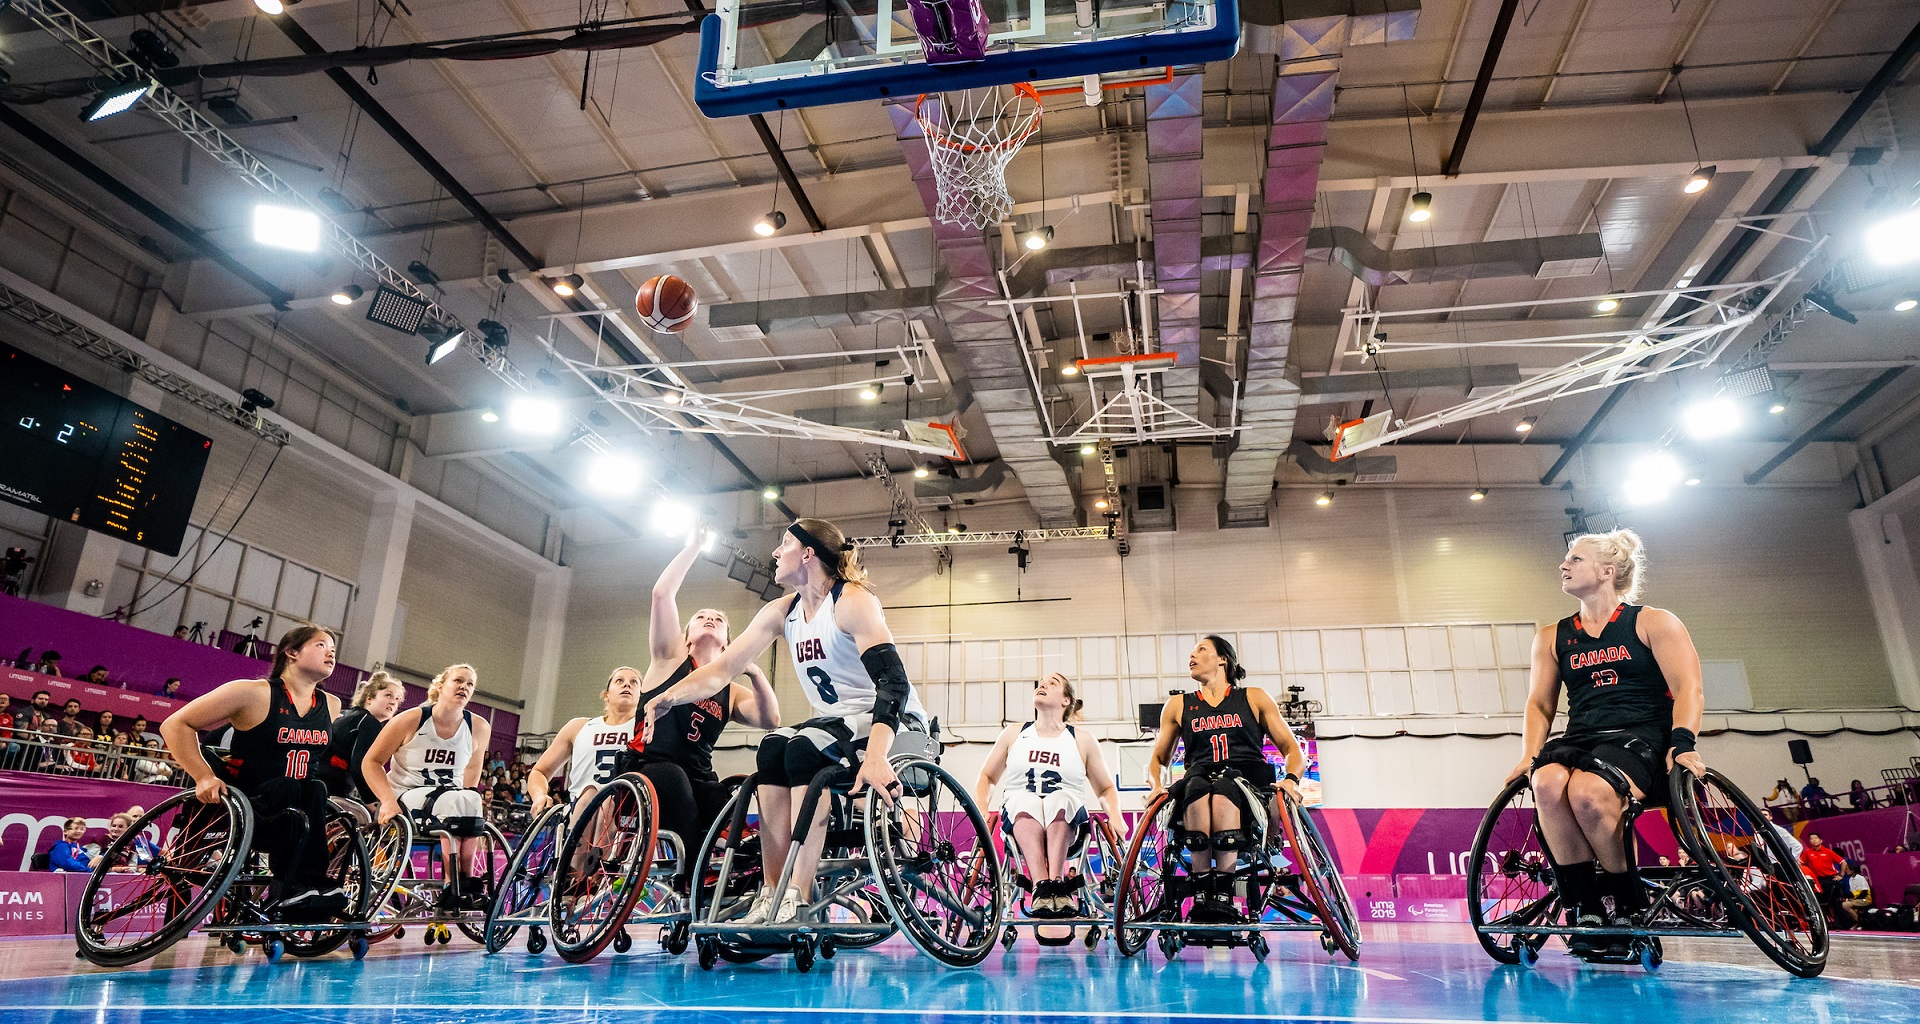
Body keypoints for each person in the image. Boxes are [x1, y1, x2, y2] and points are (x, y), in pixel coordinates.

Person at [642, 517, 926, 925]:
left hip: (893, 724)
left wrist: (878, 754)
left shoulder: (851, 602)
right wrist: (667, 697)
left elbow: (893, 683)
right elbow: (721, 670)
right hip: (838, 727)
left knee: (804, 747)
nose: (775, 553)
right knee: (773, 747)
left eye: (784, 544)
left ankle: (800, 894)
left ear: (807, 554)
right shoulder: (783, 611)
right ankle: (771, 894)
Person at [1504, 529, 1706, 958]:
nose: (1564, 564)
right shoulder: (1552, 636)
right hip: (1583, 737)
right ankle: (1585, 906)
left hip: (1641, 735)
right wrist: (1527, 755)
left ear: (1608, 571)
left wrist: (1683, 742)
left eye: (1575, 559)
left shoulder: (1653, 622)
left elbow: (1688, 688)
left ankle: (1630, 900)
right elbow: (1540, 704)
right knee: (1546, 783)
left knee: (1589, 792)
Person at [159, 624, 347, 921]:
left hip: (297, 815)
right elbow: (174, 725)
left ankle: (308, 886)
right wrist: (203, 776)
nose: (331, 652)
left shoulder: (331, 705)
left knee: (315, 788)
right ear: (292, 652)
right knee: (291, 787)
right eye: (322, 645)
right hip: (250, 807)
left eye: (334, 648)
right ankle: (293, 887)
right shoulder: (251, 693)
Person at [619, 527, 779, 866]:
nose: (710, 618)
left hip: (700, 776)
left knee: (723, 810)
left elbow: (771, 720)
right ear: (687, 635)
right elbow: (662, 594)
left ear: (727, 642)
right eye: (701, 617)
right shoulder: (669, 658)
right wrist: (694, 545)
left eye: (718, 619)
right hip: (650, 766)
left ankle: (728, 882)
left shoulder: (731, 690)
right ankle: (688, 878)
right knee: (679, 788)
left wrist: (754, 672)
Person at [1144, 636, 1306, 923]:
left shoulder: (1253, 697)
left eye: (1200, 649)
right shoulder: (1178, 705)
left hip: (1247, 781)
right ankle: (1202, 890)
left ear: (1223, 659)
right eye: (1191, 651)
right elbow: (1158, 759)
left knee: (1223, 789)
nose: (1191, 655)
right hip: (1199, 777)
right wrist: (1156, 784)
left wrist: (1291, 779)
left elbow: (1293, 750)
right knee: (1194, 787)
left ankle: (1223, 891)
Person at [976, 672, 1124, 918]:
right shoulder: (1014, 734)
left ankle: (1057, 882)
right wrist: (982, 805)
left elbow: (1106, 789)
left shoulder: (1082, 740)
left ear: (1066, 701)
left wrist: (1116, 815)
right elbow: (987, 777)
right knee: (1026, 800)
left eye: (1052, 683)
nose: (1042, 684)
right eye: (1041, 682)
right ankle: (1040, 885)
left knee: (1060, 799)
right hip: (1019, 820)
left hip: (1069, 824)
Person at [360, 664, 493, 910]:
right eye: (459, 681)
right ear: (440, 686)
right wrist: (387, 801)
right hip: (406, 793)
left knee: (472, 800)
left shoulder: (479, 726)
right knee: (453, 803)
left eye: (470, 684)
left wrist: (468, 794)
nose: (464, 687)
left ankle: (466, 880)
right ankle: (450, 882)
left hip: (448, 798)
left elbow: (473, 768)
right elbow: (371, 762)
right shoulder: (411, 719)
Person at [527, 668, 643, 820]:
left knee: (609, 800)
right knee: (590, 792)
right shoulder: (578, 727)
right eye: (619, 681)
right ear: (606, 695)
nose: (627, 685)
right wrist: (540, 795)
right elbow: (539, 771)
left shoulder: (647, 728)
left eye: (633, 682)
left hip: (626, 815)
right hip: (581, 810)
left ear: (642, 696)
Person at [324, 672, 406, 802]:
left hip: (324, 785)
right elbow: (362, 768)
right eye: (388, 695)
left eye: (397, 700)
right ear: (369, 698)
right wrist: (372, 801)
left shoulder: (347, 714)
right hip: (332, 789)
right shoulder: (368, 722)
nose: (393, 702)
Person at [1800, 833, 1847, 905]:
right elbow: (1800, 862)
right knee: (1822, 901)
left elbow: (1843, 862)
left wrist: (1841, 875)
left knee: (1834, 902)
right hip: (1819, 880)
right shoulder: (1808, 852)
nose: (1814, 840)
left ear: (1821, 840)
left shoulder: (1828, 851)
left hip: (1831, 879)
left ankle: (1842, 916)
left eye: (1815, 838)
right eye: (1811, 839)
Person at [1839, 863, 1872, 929]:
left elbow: (1864, 892)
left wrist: (1854, 899)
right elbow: (1852, 893)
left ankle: (1857, 922)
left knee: (1845, 905)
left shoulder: (1861, 878)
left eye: (1847, 869)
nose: (1846, 870)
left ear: (1852, 870)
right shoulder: (1850, 879)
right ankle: (1854, 922)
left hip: (1865, 899)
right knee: (1842, 904)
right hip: (1856, 899)